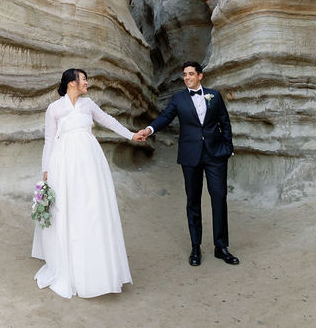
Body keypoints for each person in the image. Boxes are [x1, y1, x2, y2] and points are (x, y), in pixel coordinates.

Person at [31, 68, 147, 298]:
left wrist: (131, 135)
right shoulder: (54, 109)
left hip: (90, 163)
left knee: (91, 207)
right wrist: (45, 170)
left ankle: (95, 264)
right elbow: (48, 141)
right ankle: (68, 265)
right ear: (72, 82)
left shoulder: (89, 104)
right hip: (63, 164)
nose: (87, 83)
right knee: (67, 208)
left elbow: (109, 121)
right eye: (83, 79)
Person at [137, 61, 239, 266]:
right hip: (190, 156)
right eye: (184, 74)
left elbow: (224, 122)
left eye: (191, 74)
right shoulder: (178, 98)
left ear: (200, 76)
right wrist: (149, 130)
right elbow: (165, 117)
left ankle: (221, 247)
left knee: (219, 197)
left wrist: (227, 148)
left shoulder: (214, 96)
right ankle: (195, 248)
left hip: (215, 155)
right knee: (193, 201)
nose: (187, 77)